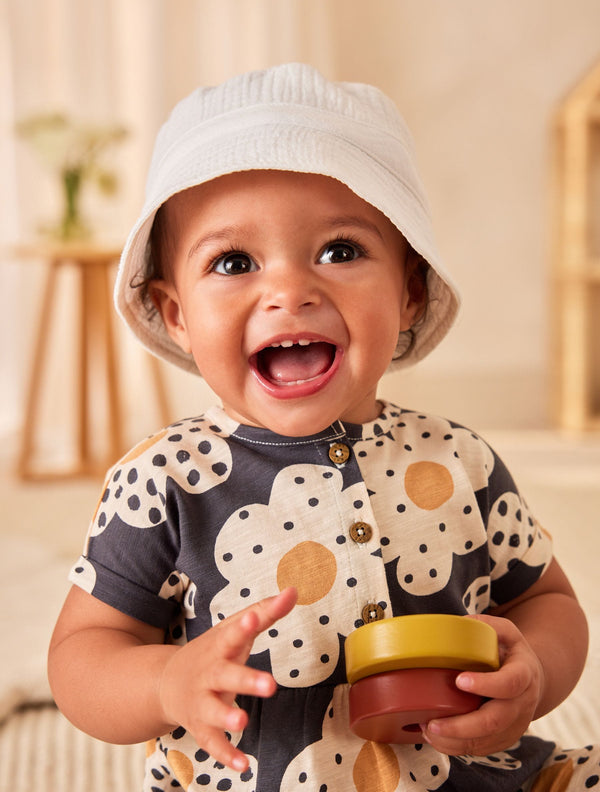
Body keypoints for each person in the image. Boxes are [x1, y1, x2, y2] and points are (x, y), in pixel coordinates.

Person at [48, 63, 597, 791]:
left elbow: (546, 602)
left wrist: (533, 673)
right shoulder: (165, 480)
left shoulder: (459, 459)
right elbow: (82, 654)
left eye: (340, 251)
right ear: (176, 314)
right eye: (234, 261)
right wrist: (163, 682)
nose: (289, 292)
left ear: (409, 292)